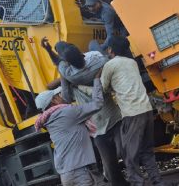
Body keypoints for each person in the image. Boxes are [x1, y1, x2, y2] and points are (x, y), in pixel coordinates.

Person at [41, 37, 129, 186]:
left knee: (111, 165)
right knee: (126, 152)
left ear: (67, 62)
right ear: (81, 54)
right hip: (113, 115)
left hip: (96, 125)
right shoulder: (98, 60)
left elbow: (67, 97)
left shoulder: (69, 75)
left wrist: (49, 51)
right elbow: (106, 58)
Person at [100, 36, 164, 186]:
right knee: (147, 151)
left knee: (129, 156)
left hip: (132, 114)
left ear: (110, 50)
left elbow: (103, 88)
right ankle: (158, 182)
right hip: (147, 110)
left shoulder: (110, 65)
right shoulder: (132, 62)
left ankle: (138, 183)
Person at [34, 71, 107, 186]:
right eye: (58, 95)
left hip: (66, 175)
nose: (61, 96)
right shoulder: (68, 112)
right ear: (53, 101)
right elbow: (97, 104)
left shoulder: (48, 120)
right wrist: (96, 79)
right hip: (80, 171)